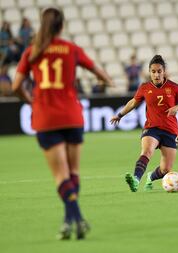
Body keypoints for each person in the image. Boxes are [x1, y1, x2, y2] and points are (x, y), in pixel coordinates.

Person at [12, 7, 114, 239]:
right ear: (62, 26)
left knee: (61, 176)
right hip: (72, 115)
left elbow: (17, 85)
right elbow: (96, 69)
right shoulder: (71, 49)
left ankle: (75, 218)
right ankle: (71, 221)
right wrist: (107, 79)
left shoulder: (32, 51)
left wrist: (30, 101)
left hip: (46, 118)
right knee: (74, 172)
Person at [110, 55, 178, 192]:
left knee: (166, 169)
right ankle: (135, 180)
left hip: (170, 130)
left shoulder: (174, 87)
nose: (156, 74)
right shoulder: (145, 87)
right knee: (147, 151)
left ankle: (150, 177)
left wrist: (177, 108)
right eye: (153, 71)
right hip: (152, 128)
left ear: (164, 72)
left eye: (159, 71)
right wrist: (120, 115)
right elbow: (133, 102)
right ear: (149, 72)